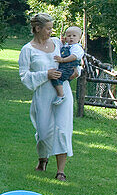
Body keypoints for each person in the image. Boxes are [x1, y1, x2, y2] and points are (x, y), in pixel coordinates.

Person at [18, 13, 76, 181]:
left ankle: (61, 171)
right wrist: (46, 74)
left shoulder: (58, 43)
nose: (51, 31)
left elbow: (74, 58)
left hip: (63, 93)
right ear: (38, 28)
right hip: (43, 94)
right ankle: (43, 159)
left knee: (62, 130)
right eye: (48, 28)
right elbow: (25, 76)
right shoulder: (27, 50)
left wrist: (74, 72)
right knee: (43, 133)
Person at [50, 26, 85, 106]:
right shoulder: (67, 46)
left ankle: (61, 95)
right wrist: (62, 43)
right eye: (69, 36)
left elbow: (74, 56)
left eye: (74, 36)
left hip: (69, 69)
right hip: (64, 67)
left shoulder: (76, 47)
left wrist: (62, 60)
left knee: (56, 76)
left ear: (79, 38)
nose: (71, 38)